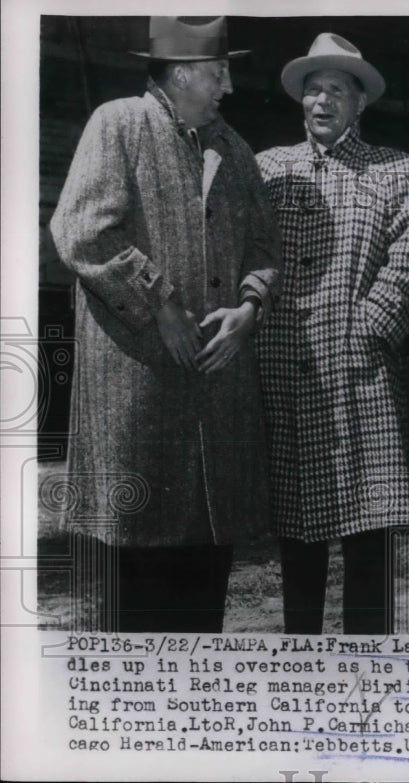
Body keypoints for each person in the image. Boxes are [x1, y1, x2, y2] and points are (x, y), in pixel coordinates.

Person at [49, 16, 281, 632]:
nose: (228, 83)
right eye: (219, 70)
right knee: (137, 572)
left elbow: (264, 249)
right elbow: (81, 230)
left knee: (205, 574)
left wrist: (249, 310)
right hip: (139, 381)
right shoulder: (119, 122)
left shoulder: (233, 149)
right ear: (181, 73)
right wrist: (161, 304)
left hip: (215, 386)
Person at [255, 34, 409, 635]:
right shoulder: (267, 169)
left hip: (362, 376)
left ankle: (371, 673)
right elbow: (245, 253)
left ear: (361, 103)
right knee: (297, 541)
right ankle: (304, 669)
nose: (322, 102)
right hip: (283, 372)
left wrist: (367, 330)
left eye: (336, 90)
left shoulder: (398, 171)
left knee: (370, 536)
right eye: (312, 91)